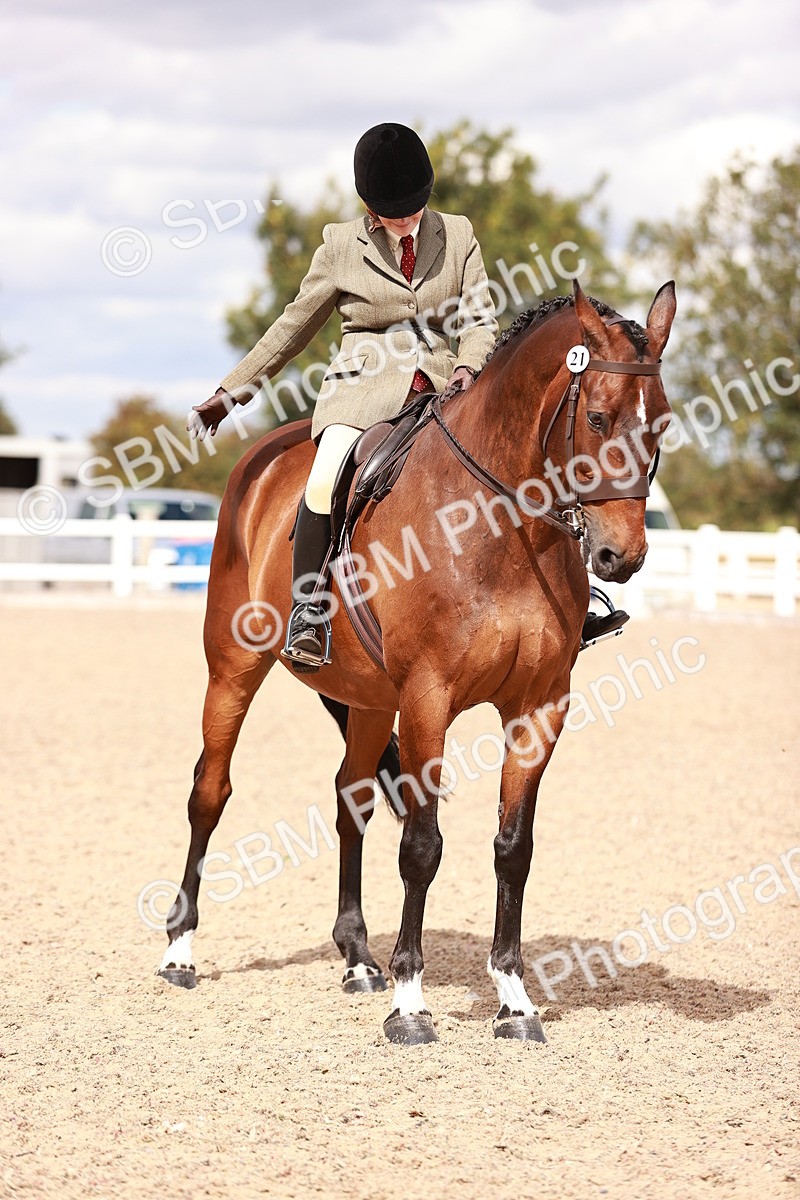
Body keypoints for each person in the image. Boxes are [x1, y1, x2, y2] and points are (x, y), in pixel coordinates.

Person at [188, 122, 499, 670]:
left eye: (414, 209)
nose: (407, 222)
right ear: (368, 205)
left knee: (512, 459)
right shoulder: (339, 245)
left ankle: (557, 599)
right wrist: (232, 391)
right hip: (362, 391)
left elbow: (478, 319)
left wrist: (469, 367)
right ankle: (309, 611)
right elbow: (293, 327)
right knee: (326, 474)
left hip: (445, 391)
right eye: (393, 212)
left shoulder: (459, 233)